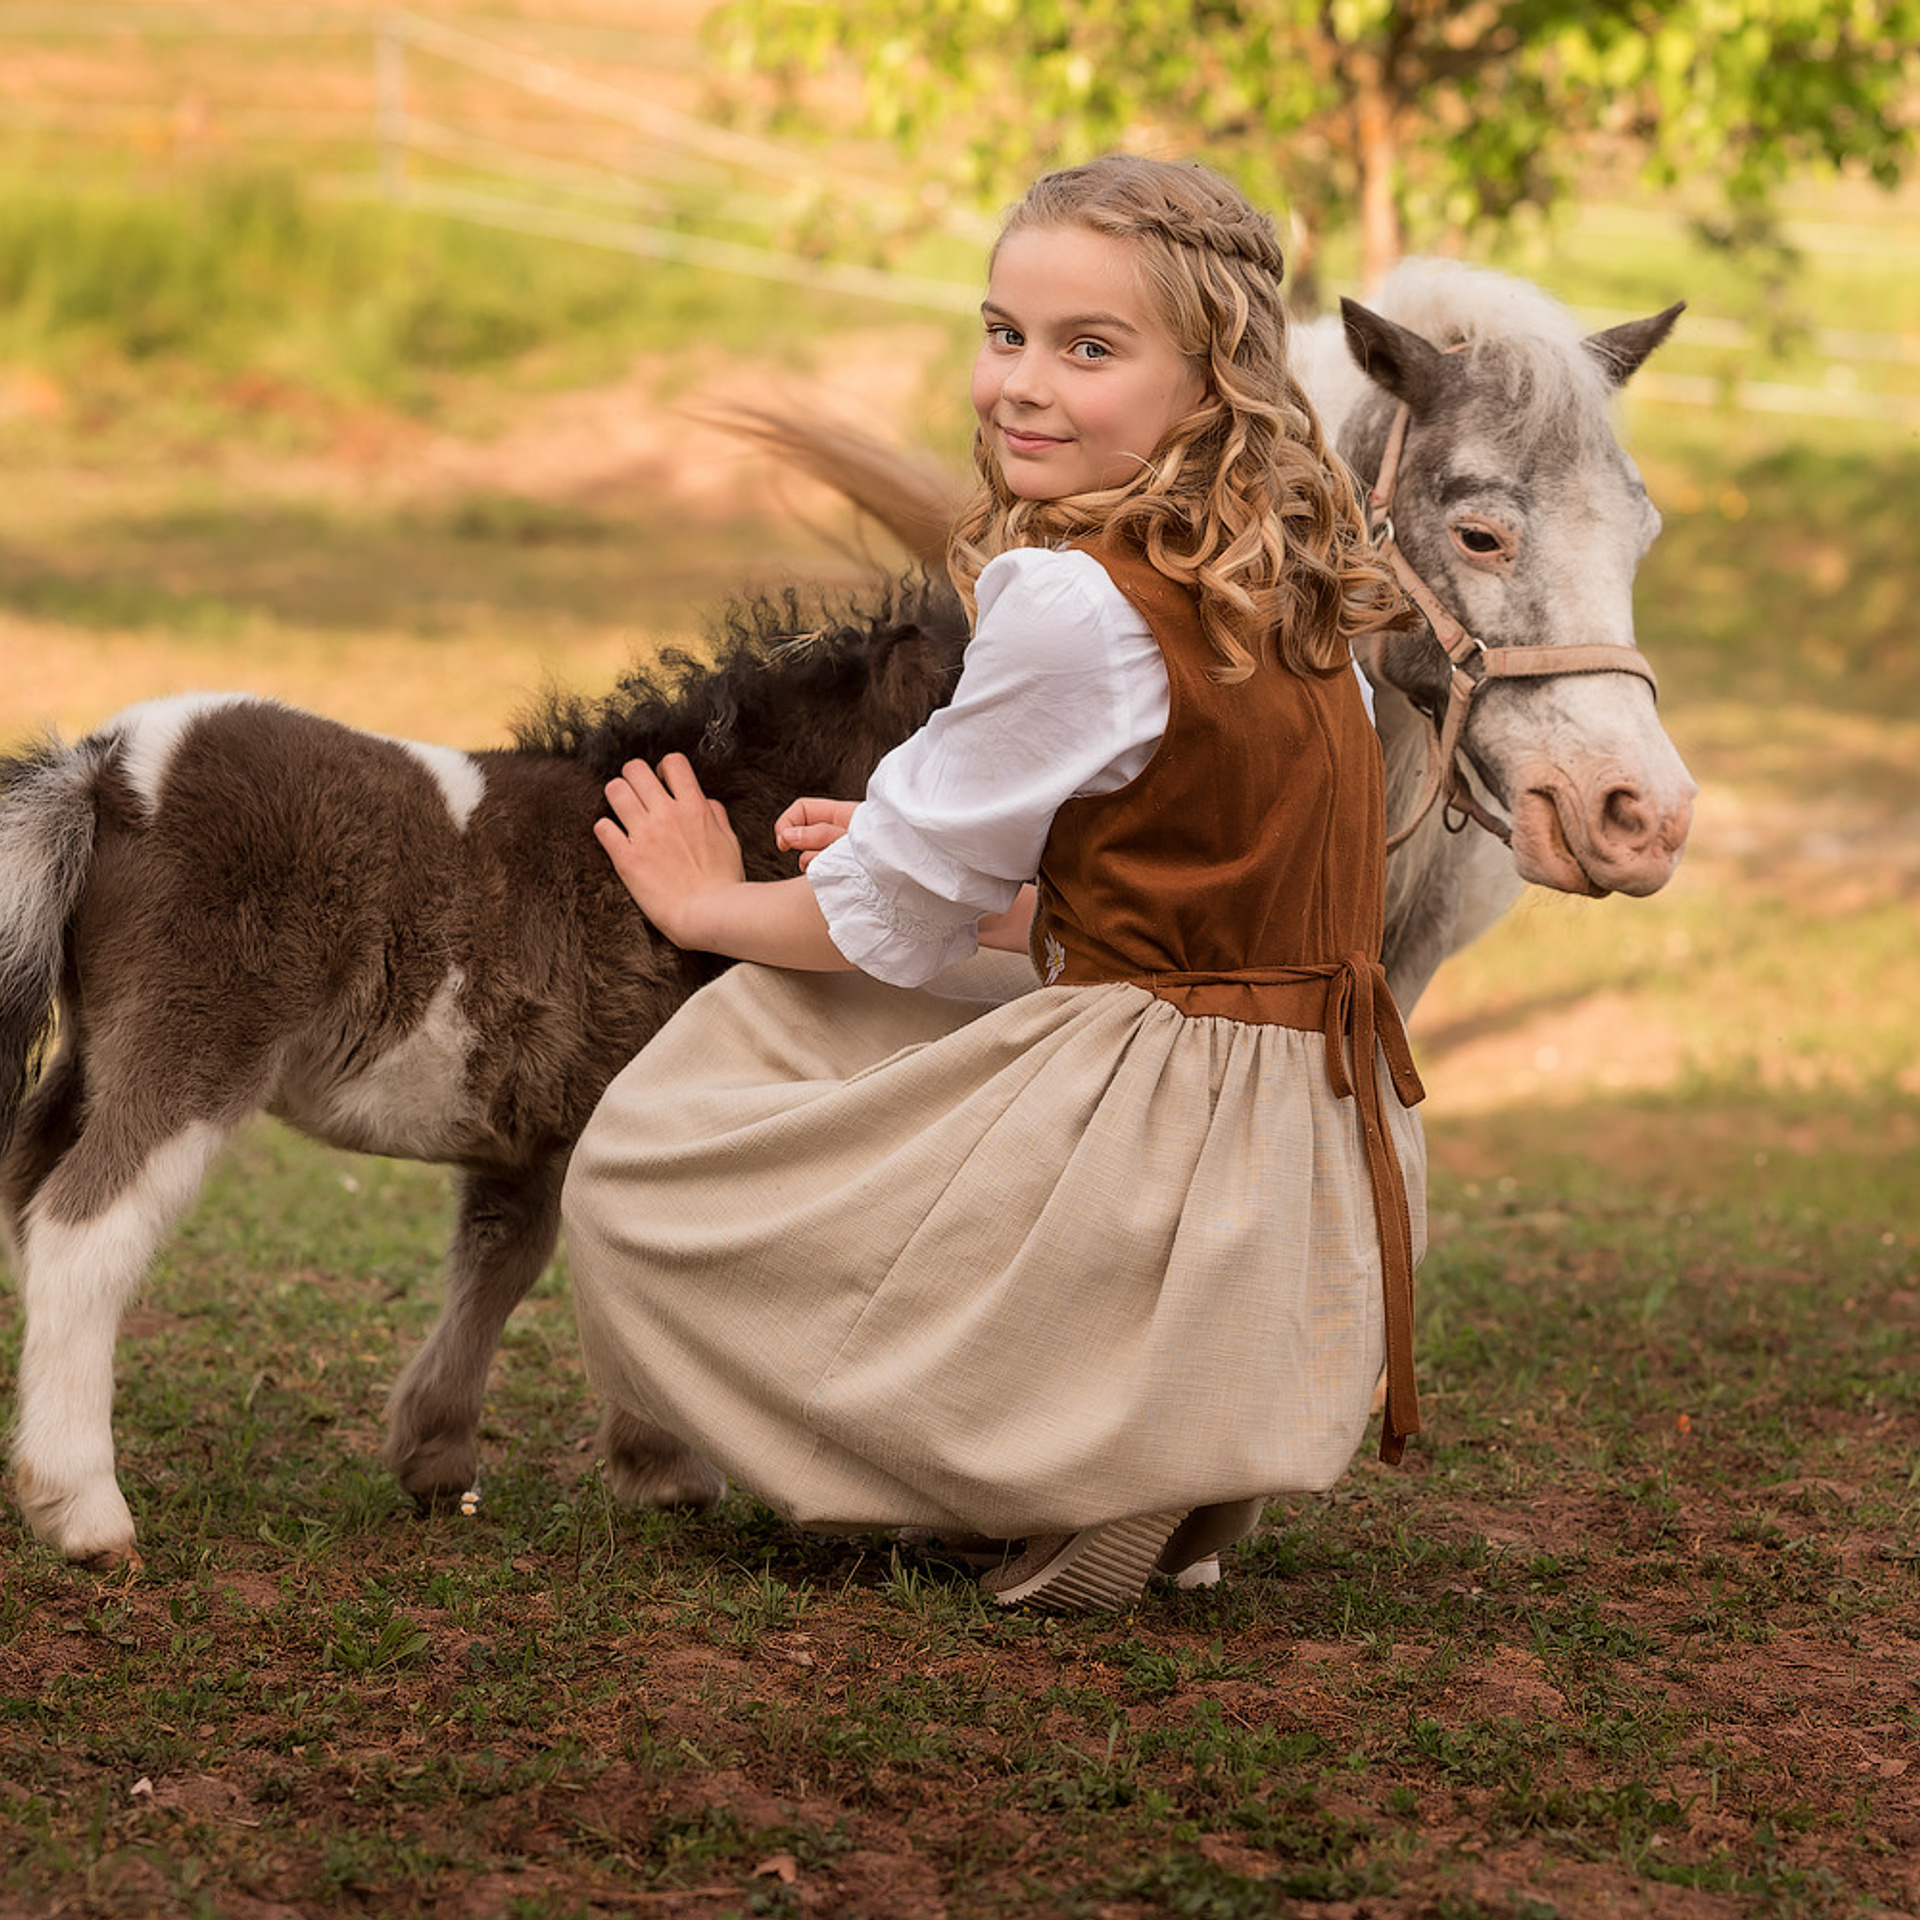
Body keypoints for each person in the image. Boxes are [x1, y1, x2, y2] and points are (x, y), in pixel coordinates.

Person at [561, 153, 1427, 1613]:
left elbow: (873, 921)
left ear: (1214, 374)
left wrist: (709, 904)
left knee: (675, 1146)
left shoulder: (1078, 596)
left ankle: (1037, 1465)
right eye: (1004, 333)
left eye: (1089, 349)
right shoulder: (1284, 568)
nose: (1021, 383)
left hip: (1166, 1100)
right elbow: (1214, 867)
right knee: (929, 997)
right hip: (1314, 1112)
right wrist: (966, 873)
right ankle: (1174, 1451)